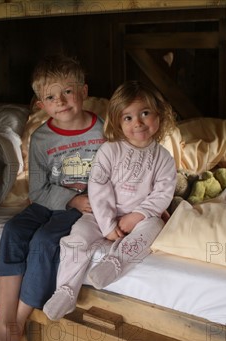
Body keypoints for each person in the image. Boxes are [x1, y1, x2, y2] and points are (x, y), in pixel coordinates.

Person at [0, 54, 105, 341]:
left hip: (83, 205)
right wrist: (68, 200)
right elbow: (36, 189)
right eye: (51, 96)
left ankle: (17, 322)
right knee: (14, 232)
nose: (61, 101)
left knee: (43, 242)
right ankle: (3, 324)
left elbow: (111, 176)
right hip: (51, 201)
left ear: (84, 91)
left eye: (68, 92)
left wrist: (85, 202)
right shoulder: (41, 138)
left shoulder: (103, 133)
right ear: (40, 104)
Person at [43, 80, 177, 321]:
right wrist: (107, 224)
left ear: (159, 115)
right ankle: (65, 290)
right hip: (99, 215)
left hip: (140, 217)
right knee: (76, 238)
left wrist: (136, 217)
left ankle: (114, 263)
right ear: (117, 122)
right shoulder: (110, 151)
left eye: (145, 113)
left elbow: (163, 193)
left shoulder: (164, 158)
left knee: (154, 229)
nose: (137, 122)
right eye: (128, 117)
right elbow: (98, 186)